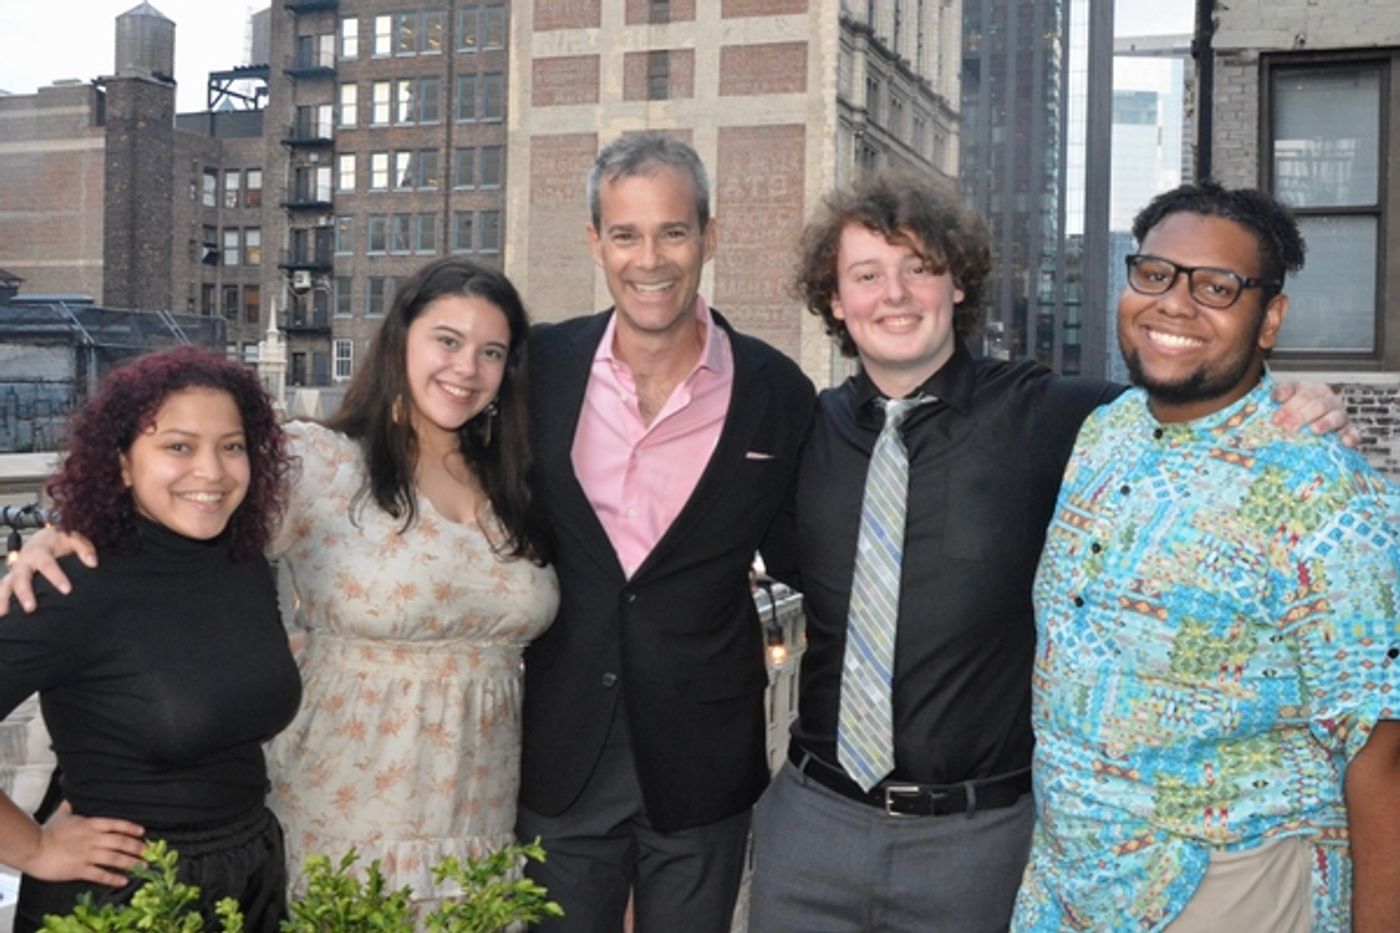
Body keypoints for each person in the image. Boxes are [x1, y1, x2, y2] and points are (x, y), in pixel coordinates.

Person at [746, 176, 1354, 932]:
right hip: (814, 828)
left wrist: (1302, 400)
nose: (895, 295)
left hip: (980, 844)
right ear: (835, 301)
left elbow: (1195, 396)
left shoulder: (1059, 417)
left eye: (920, 268)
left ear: (958, 285)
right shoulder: (808, 431)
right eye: (867, 275)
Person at [1, 257, 559, 911]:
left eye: (491, 350)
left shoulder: (523, 481)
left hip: (479, 812)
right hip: (344, 808)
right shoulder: (320, 465)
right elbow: (176, 513)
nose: (466, 367)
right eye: (446, 339)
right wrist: (59, 532)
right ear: (399, 342)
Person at [1012, 182, 1400, 933]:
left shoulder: (1327, 495)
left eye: (1217, 287)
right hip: (1069, 882)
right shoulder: (1105, 431)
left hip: (1229, 883)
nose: (1175, 304)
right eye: (1155, 274)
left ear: (1269, 319)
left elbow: (1384, 756)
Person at [514, 132, 814, 932]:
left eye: (673, 231)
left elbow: (812, 551)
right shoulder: (537, 367)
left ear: (710, 238)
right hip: (560, 747)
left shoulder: (776, 391)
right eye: (626, 234)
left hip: (703, 756)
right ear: (596, 243)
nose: (650, 259)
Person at [0, 346, 301, 931]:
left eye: (231, 446)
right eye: (178, 446)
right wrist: (33, 848)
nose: (211, 471)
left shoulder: (241, 563)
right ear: (121, 464)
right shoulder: (69, 584)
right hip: (127, 896)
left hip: (252, 878)